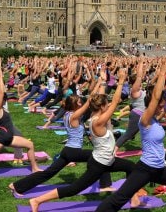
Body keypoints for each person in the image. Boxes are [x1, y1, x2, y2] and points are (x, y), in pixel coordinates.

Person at [28, 69, 141, 211]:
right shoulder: (98, 122)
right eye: (106, 104)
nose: (109, 105)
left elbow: (99, 99)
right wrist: (120, 83)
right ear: (102, 107)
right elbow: (115, 102)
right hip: (99, 163)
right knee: (73, 189)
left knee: (131, 167)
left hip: (107, 160)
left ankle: (134, 198)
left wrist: (102, 81)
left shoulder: (95, 115)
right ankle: (37, 200)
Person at [96, 60, 166, 212]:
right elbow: (156, 97)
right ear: (152, 105)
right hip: (146, 169)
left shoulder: (155, 120)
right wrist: (162, 74)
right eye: (160, 105)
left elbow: (160, 101)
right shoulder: (145, 120)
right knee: (119, 198)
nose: (162, 107)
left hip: (158, 169)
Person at [9, 61, 113, 196]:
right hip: (74, 151)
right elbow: (90, 100)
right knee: (101, 157)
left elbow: (90, 98)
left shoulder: (68, 114)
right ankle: (105, 185)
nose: (81, 102)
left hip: (67, 151)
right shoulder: (74, 116)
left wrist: (100, 82)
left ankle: (17, 185)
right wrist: (100, 81)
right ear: (75, 105)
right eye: (79, 102)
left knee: (48, 173)